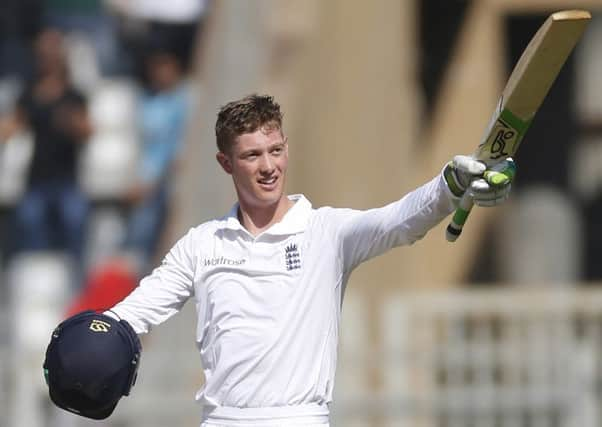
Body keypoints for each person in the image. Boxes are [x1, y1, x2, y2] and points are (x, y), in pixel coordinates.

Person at [101, 94, 513, 426]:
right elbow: (135, 313)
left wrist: (450, 185)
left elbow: (399, 221)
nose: (268, 167)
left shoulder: (326, 232)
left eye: (275, 150)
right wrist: (89, 338)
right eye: (252, 156)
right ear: (225, 163)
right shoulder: (201, 244)